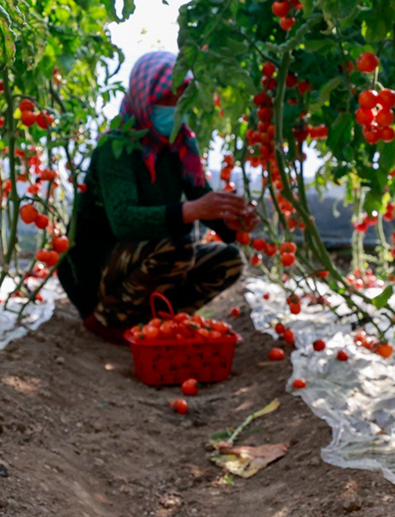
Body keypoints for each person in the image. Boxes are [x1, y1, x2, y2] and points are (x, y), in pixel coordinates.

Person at [56, 51, 256, 342]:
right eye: (166, 99)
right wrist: (190, 210)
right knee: (177, 246)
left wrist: (233, 222)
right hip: (97, 272)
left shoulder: (181, 145)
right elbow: (124, 221)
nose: (174, 108)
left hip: (145, 258)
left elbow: (201, 199)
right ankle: (107, 320)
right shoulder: (117, 149)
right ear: (143, 96)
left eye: (181, 99)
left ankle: (153, 322)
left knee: (229, 260)